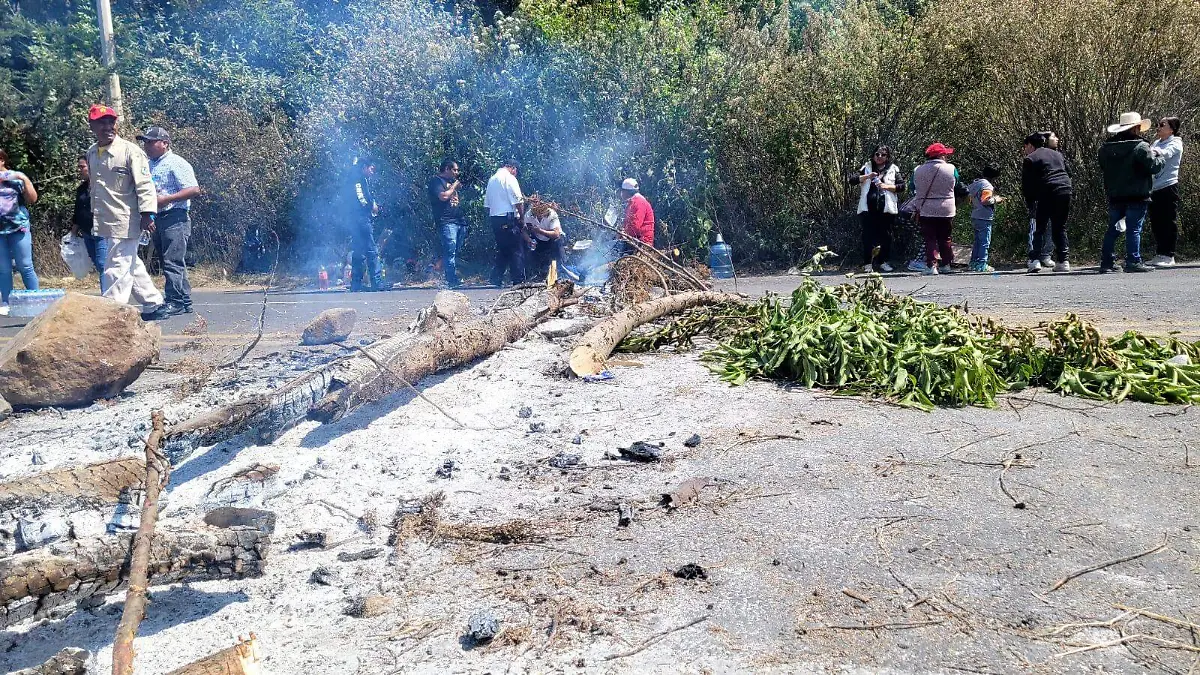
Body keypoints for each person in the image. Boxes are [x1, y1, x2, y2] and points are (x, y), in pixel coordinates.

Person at [85, 105, 167, 320]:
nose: (108, 127)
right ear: (92, 125)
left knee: (117, 265)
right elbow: (95, 187)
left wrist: (148, 213)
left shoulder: (130, 151)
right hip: (104, 218)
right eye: (102, 122)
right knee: (130, 262)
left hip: (127, 218)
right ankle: (154, 303)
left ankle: (114, 314)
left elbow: (145, 185)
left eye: (111, 122)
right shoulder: (92, 152)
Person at [139, 127, 199, 314]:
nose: (146, 145)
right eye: (145, 142)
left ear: (164, 143)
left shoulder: (176, 163)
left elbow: (194, 189)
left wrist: (167, 199)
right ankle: (184, 299)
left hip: (175, 217)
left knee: (172, 260)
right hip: (158, 217)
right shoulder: (149, 164)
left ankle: (175, 301)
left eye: (151, 141)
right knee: (170, 260)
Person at [1098, 112, 1165, 273]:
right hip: (1137, 194)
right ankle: (1133, 260)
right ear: (1136, 128)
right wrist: (1160, 157)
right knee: (1134, 228)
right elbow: (1153, 167)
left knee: (1114, 227)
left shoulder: (1105, 148)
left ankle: (1107, 262)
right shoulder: (1141, 147)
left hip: (1115, 194)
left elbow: (1103, 167)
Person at [1021, 131, 1074, 272]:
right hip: (1065, 189)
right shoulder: (1058, 154)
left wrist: (1030, 202)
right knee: (1060, 226)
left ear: (1031, 145)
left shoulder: (1030, 158)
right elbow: (1069, 172)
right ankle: (1063, 261)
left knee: (1040, 227)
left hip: (1047, 191)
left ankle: (1035, 260)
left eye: (1025, 146)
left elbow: (1027, 184)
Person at [0, 149, 39, 314]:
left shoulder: (16, 177)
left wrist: (24, 178)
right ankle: (5, 302)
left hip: (18, 226)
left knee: (25, 265)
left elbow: (32, 199)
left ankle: (36, 300)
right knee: (3, 268)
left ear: (2, 160)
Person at [911, 143, 959, 275]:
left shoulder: (917, 170)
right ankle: (947, 264)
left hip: (926, 208)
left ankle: (931, 265)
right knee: (945, 237)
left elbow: (912, 187)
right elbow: (957, 183)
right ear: (941, 155)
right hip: (946, 208)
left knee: (930, 238)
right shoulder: (951, 168)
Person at [855, 145, 901, 272]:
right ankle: (867, 263)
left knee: (885, 236)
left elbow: (901, 186)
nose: (879, 157)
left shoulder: (893, 168)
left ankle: (883, 261)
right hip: (867, 209)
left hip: (886, 209)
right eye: (877, 154)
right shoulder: (866, 167)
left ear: (887, 156)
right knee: (867, 236)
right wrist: (868, 176)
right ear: (873, 155)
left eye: (883, 155)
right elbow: (853, 180)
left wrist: (885, 186)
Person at [1148, 117, 1183, 267]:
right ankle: (1160, 253)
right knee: (1156, 222)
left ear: (1171, 129)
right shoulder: (1156, 143)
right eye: (1157, 124)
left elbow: (1165, 154)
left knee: (1168, 221)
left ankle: (1169, 255)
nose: (1158, 127)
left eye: (1162, 125)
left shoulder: (1176, 142)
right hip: (1154, 188)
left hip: (1168, 186)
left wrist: (1150, 151)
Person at [347, 156, 386, 291]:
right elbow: (361, 197)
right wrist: (371, 206)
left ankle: (356, 284)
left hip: (357, 220)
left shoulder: (360, 179)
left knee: (358, 251)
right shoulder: (358, 179)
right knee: (371, 250)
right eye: (371, 168)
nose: (372, 171)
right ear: (364, 167)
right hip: (361, 220)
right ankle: (376, 282)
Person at [485, 159, 525, 286]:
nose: (515, 173)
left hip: (495, 218)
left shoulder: (492, 179)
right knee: (515, 249)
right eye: (515, 171)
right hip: (508, 218)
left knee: (503, 249)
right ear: (512, 168)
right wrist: (522, 217)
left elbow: (487, 205)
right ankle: (518, 280)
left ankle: (495, 279)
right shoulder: (509, 178)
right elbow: (518, 200)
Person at [428, 159, 467, 288]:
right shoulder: (436, 182)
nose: (457, 172)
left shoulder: (450, 182)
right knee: (450, 250)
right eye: (454, 169)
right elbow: (443, 196)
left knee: (454, 250)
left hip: (459, 221)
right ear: (447, 169)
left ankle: (442, 268)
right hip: (446, 221)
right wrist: (455, 185)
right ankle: (451, 280)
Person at [71, 154, 107, 289]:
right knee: (98, 264)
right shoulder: (81, 189)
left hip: (102, 230)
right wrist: (73, 232)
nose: (79, 170)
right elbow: (77, 211)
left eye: (82, 167)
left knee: (103, 263)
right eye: (78, 167)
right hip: (87, 231)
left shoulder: (102, 186)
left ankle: (108, 299)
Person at [967, 165, 1004, 272]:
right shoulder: (987, 186)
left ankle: (974, 262)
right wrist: (996, 199)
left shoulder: (976, 183)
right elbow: (985, 200)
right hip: (984, 217)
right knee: (984, 241)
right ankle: (982, 263)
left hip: (975, 215)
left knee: (977, 241)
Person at [524, 199, 565, 281]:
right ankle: (536, 275)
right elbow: (524, 230)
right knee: (529, 252)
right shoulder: (528, 215)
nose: (539, 215)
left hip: (554, 239)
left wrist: (540, 231)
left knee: (556, 254)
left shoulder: (552, 214)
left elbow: (556, 234)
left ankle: (560, 275)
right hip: (539, 240)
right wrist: (529, 240)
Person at [618, 178, 655, 248]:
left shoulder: (639, 202)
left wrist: (624, 234)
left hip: (642, 242)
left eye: (623, 191)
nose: (621, 193)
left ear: (627, 192)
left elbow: (635, 226)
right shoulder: (632, 202)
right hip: (635, 240)